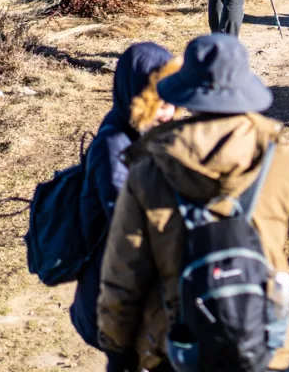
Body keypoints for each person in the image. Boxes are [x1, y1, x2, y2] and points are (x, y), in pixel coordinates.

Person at [98, 34, 289, 372]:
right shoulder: (281, 160)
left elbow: (123, 275)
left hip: (180, 349)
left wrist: (118, 349)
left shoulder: (149, 169)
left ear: (186, 92)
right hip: (260, 346)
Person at [70, 43, 181, 365]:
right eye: (157, 102)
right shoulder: (113, 146)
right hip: (118, 288)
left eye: (171, 100)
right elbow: (127, 220)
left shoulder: (150, 133)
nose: (167, 110)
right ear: (135, 97)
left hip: (145, 286)